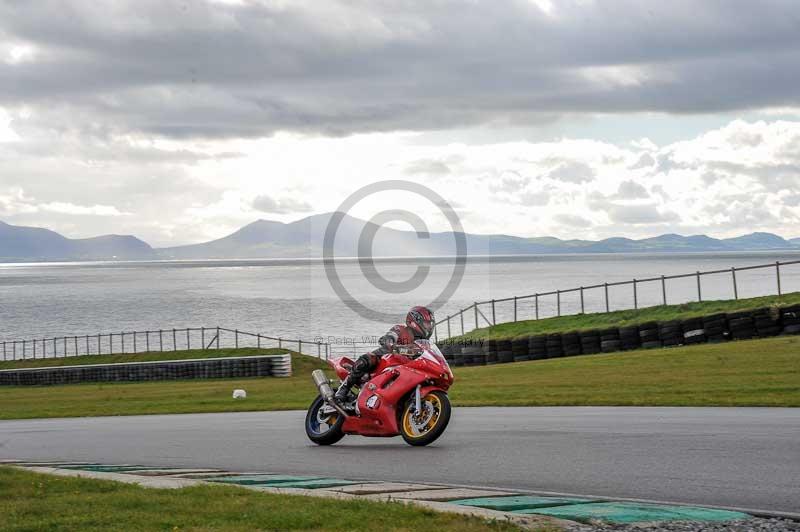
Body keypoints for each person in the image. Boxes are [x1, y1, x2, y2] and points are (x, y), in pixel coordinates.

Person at [334, 306, 435, 404]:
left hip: (405, 370)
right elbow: (388, 337)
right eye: (427, 324)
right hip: (384, 360)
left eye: (430, 324)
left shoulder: (423, 343)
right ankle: (344, 388)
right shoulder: (400, 329)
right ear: (414, 321)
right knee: (368, 359)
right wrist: (391, 344)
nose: (429, 327)